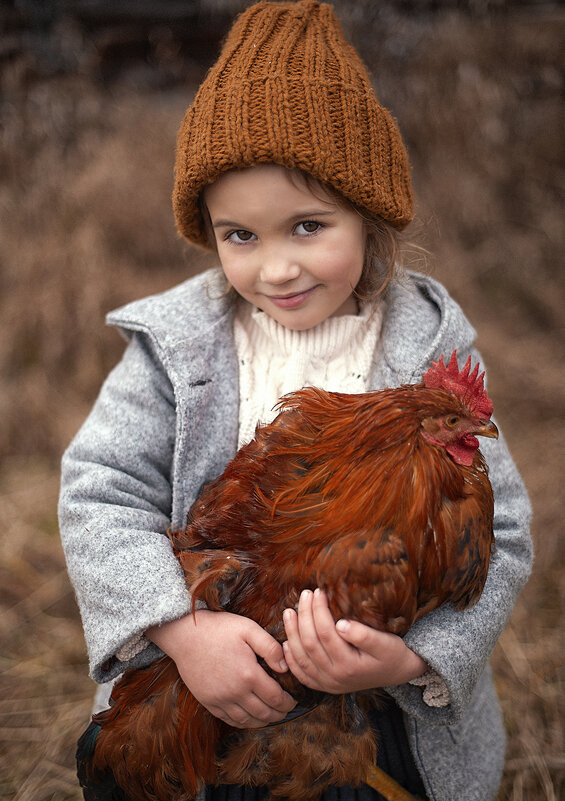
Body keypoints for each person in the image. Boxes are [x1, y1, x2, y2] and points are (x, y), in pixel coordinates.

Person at [58, 2, 532, 800]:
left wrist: (415, 658)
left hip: (377, 707)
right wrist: (181, 628)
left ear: (368, 217)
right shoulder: (176, 351)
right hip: (205, 676)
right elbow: (97, 496)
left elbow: (505, 538)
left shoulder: (429, 352)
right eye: (240, 235)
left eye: (307, 226)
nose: (275, 267)